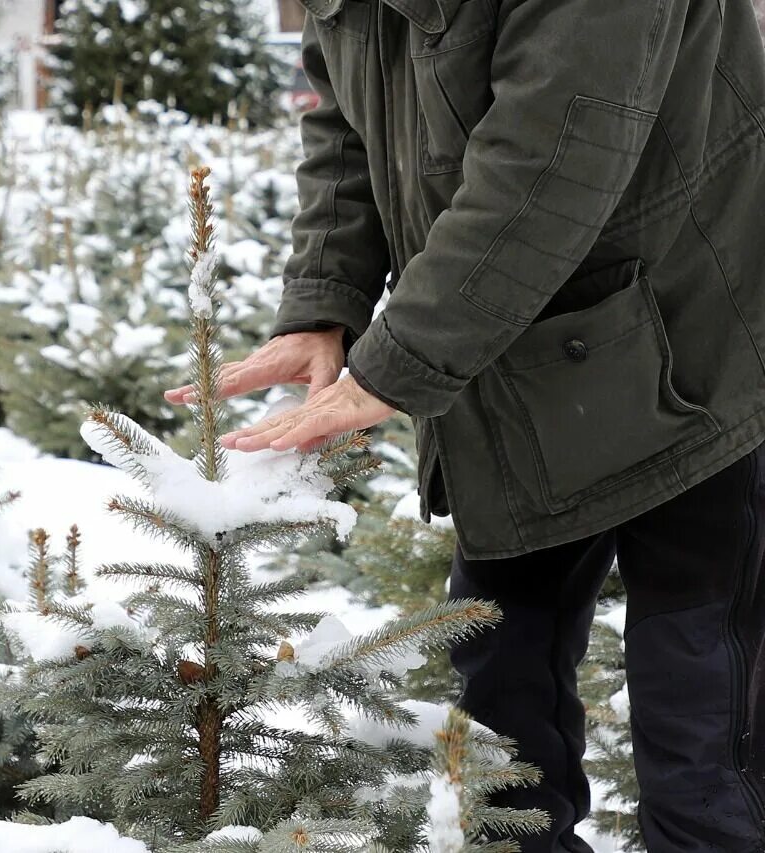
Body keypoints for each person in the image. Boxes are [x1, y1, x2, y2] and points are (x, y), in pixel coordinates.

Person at [163, 0, 765, 850]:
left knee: (705, 729)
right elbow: (345, 118)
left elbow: (554, 155)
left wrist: (399, 360)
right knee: (500, 707)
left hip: (694, 341)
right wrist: (324, 303)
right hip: (503, 359)